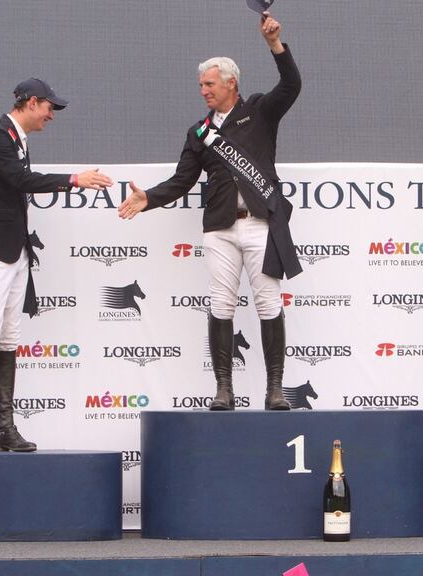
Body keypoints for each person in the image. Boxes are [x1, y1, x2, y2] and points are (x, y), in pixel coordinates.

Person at [118, 11, 302, 411]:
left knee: (269, 301)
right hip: (219, 228)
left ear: (230, 84)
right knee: (220, 303)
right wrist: (147, 198)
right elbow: (181, 181)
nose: (203, 90)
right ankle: (224, 388)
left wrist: (275, 45)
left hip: (259, 224)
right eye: (201, 85)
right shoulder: (199, 132)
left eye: (209, 84)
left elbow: (291, 86)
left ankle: (275, 389)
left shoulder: (259, 111)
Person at [0, 78, 113, 452]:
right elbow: (20, 180)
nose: (52, 116)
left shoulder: (18, 140)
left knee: (9, 341)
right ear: (31, 103)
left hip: (15, 253)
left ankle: (3, 428)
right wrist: (73, 180)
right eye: (50, 108)